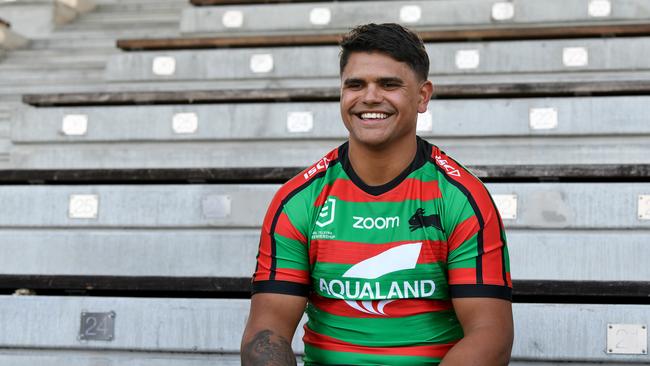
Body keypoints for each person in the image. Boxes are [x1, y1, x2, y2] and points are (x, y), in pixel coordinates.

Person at [241, 23, 513, 366]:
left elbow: (491, 334)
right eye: (355, 84)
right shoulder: (299, 200)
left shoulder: (461, 198)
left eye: (389, 84)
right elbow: (267, 332)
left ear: (422, 96)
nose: (369, 97)